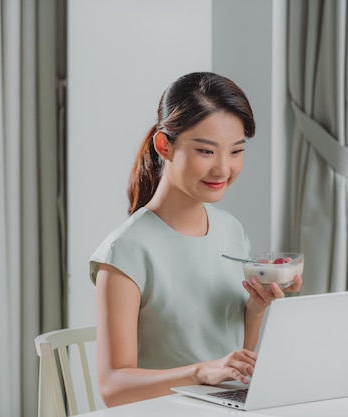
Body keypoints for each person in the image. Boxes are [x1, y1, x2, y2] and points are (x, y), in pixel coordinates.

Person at [89, 72, 302, 407]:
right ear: (165, 146)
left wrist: (256, 310)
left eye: (236, 151)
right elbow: (113, 387)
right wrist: (200, 372)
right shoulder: (126, 250)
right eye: (206, 151)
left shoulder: (231, 230)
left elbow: (233, 365)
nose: (223, 169)